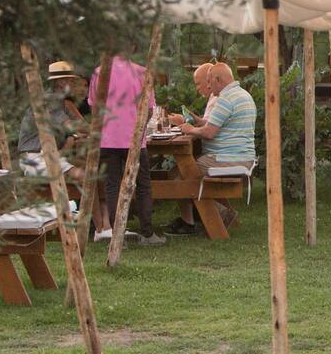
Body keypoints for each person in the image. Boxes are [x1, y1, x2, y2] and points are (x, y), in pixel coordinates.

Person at [89, 49, 165, 246]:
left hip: (108, 139)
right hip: (135, 138)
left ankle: (117, 236)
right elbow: (149, 109)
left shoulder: (100, 73)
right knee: (143, 185)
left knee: (112, 185)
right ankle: (147, 233)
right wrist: (139, 129)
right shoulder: (142, 73)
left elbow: (95, 108)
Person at [171, 61, 256, 234]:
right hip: (241, 158)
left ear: (218, 79)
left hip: (226, 160)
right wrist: (195, 121)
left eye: (210, 81)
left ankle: (208, 219)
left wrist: (189, 129)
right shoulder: (242, 94)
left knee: (183, 173)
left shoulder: (225, 99)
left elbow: (209, 133)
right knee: (185, 171)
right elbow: (213, 124)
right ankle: (216, 215)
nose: (208, 86)